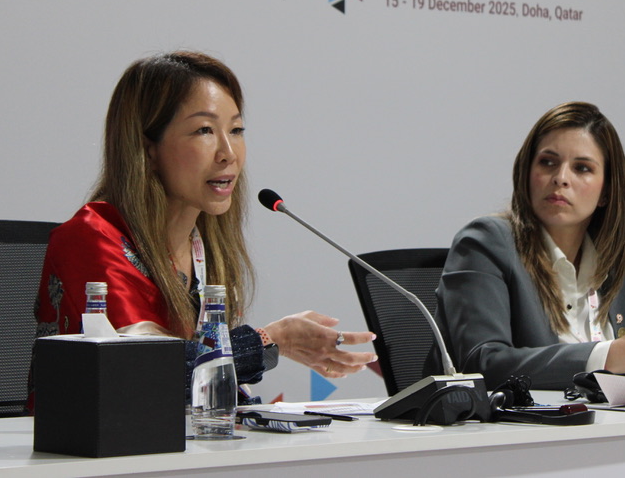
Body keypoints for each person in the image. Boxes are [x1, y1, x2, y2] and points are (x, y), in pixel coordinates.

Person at [34, 51, 376, 394]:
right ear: (148, 148)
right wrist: (272, 340)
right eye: (204, 130)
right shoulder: (91, 237)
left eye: (236, 130)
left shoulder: (204, 244)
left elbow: (199, 386)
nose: (229, 153)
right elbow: (147, 370)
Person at [434, 102, 625, 390]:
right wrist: (610, 356)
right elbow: (482, 364)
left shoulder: (613, 262)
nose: (561, 178)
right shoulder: (486, 243)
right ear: (526, 172)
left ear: (606, 191)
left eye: (582, 168)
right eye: (547, 162)